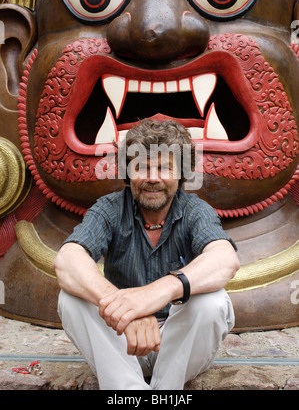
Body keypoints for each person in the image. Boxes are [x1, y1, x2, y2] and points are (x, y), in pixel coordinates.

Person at [53, 119, 240, 390]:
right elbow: (67, 260)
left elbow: (225, 259)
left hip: (179, 346)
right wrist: (128, 310)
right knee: (71, 297)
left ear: (181, 174)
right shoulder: (109, 209)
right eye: (142, 167)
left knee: (213, 301)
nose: (153, 178)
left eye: (164, 167)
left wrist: (157, 292)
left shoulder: (195, 211)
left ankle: (166, 391)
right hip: (121, 342)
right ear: (129, 174)